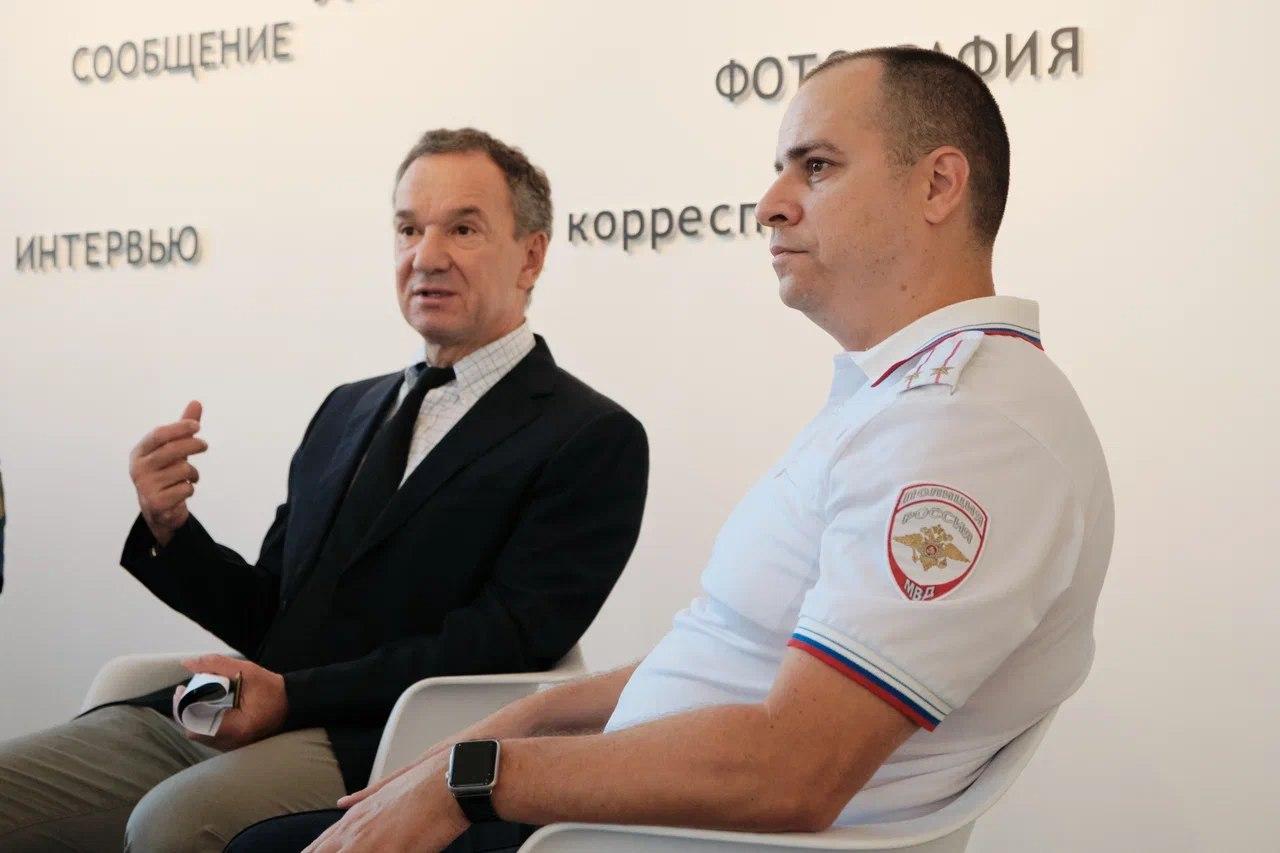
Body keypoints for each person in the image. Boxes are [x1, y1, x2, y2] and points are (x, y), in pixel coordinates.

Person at [228, 46, 1114, 853]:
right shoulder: (901, 402)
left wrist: (476, 779)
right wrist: (522, 721)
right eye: (781, 169)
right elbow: (731, 655)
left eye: (817, 167)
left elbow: (795, 768)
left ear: (939, 185)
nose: (770, 204)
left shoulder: (967, 430)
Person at [0, 128, 649, 853]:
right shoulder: (348, 408)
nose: (426, 256)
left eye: (462, 229)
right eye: (408, 229)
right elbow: (274, 614)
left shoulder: (591, 435)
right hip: (239, 716)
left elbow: (500, 644)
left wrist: (292, 697)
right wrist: (170, 528)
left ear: (531, 255)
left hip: (385, 743)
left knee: (173, 822)